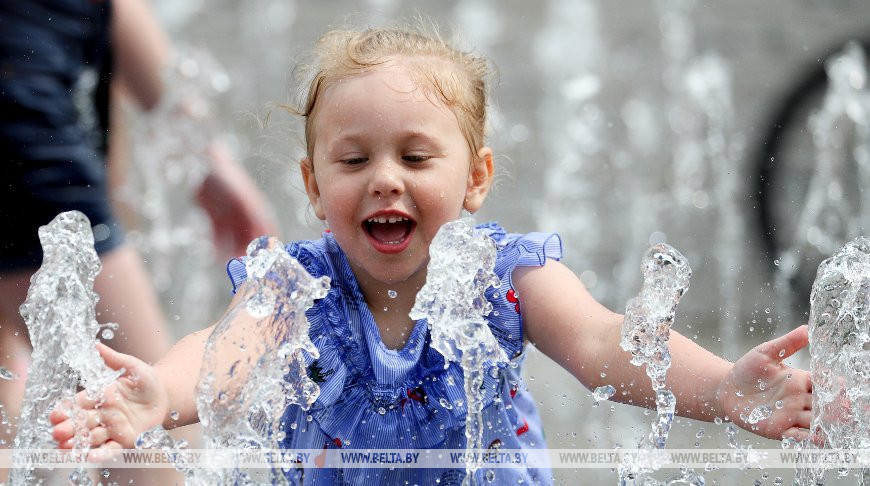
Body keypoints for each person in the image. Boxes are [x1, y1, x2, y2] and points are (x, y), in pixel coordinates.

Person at [51, 26, 813, 484]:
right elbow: (226, 356)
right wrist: (162, 395)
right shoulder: (296, 287)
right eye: (354, 162)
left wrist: (726, 389)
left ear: (475, 178)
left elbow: (603, 341)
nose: (386, 179)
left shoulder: (503, 275)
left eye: (417, 158)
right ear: (315, 187)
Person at [0, 0, 277, 482]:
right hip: (23, 118)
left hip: (28, 98)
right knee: (145, 438)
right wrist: (208, 161)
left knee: (23, 432)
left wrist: (206, 160)